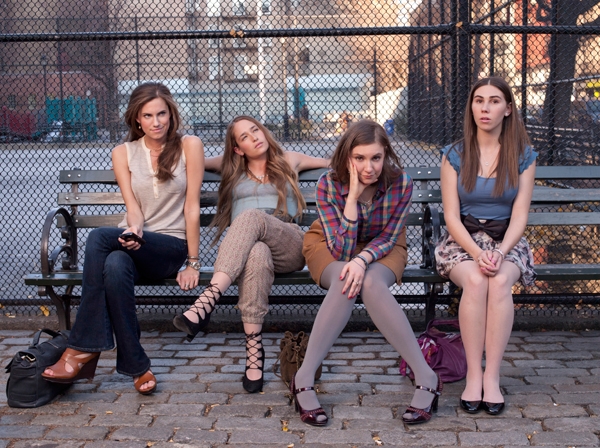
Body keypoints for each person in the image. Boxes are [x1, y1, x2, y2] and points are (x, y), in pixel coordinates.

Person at [42, 82, 205, 394]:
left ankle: (81, 348)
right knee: (115, 264)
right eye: (148, 115)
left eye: (162, 114)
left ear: (171, 114)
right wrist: (134, 230)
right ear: (137, 119)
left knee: (98, 238)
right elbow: (133, 209)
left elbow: (192, 207)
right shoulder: (123, 153)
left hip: (170, 246)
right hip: (135, 244)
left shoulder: (190, 146)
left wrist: (193, 262)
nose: (156, 122)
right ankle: (137, 366)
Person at [293, 119, 442, 427]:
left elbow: (389, 236)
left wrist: (363, 260)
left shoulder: (401, 183)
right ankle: (303, 377)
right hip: (330, 243)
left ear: (385, 154)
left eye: (376, 157)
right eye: (359, 158)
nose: (369, 167)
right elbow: (341, 251)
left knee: (371, 282)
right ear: (347, 156)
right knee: (346, 278)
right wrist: (351, 199)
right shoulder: (328, 184)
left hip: (385, 246)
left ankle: (426, 376)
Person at [172, 115, 329, 393]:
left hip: (289, 242)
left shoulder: (289, 159)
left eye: (255, 130)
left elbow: (333, 163)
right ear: (237, 149)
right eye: (244, 136)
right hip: (248, 249)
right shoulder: (230, 167)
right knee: (256, 252)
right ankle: (254, 352)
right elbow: (188, 159)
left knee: (251, 216)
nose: (254, 137)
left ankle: (207, 300)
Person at [435, 76, 537, 416]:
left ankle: (492, 376)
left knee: (501, 280)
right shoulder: (454, 155)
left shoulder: (523, 156)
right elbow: (451, 217)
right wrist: (478, 254)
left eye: (494, 101)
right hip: (463, 241)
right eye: (479, 100)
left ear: (507, 109)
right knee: (478, 281)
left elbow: (520, 216)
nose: (485, 108)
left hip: (506, 241)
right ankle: (473, 376)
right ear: (471, 107)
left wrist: (500, 252)